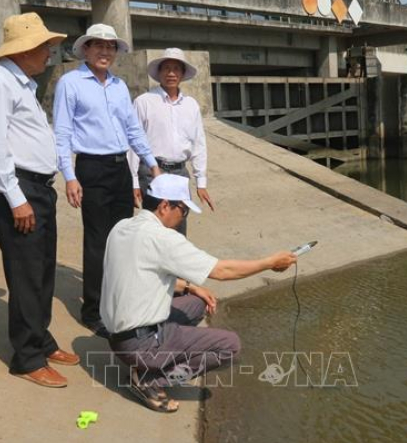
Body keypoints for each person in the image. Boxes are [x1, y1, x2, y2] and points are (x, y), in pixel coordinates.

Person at [100, 174, 297, 412]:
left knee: (197, 302)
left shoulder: (122, 226)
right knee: (230, 347)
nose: (183, 217)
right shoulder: (162, 238)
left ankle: (148, 362)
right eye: (183, 210)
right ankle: (150, 380)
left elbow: (141, 277)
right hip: (140, 344)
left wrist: (192, 287)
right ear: (165, 206)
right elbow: (222, 271)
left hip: (118, 336)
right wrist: (269, 262)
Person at [0, 12, 79, 388]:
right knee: (26, 274)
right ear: (24, 49)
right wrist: (16, 198)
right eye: (45, 47)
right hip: (16, 190)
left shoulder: (23, 84)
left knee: (43, 270)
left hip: (37, 189)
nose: (50, 52)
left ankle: (41, 340)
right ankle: (27, 358)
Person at [53, 24, 161, 337]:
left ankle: (120, 301)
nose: (104, 51)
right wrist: (70, 176)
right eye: (98, 45)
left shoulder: (118, 86)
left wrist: (151, 164)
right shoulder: (70, 83)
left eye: (110, 46)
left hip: (119, 169)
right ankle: (94, 311)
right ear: (85, 49)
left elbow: (133, 130)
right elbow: (61, 133)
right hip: (91, 168)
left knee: (123, 239)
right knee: (98, 241)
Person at [130, 48, 213, 236]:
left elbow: (198, 143)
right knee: (153, 226)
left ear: (182, 74)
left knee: (178, 225)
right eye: (166, 68)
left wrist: (201, 181)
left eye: (176, 69)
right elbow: (134, 142)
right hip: (151, 172)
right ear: (159, 72)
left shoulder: (191, 105)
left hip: (179, 173)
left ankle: (174, 265)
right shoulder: (144, 101)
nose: (171, 73)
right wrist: (133, 181)